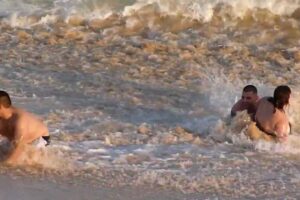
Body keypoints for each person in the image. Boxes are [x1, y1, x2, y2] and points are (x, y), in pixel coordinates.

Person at [0, 91, 50, 164]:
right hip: (15, 138)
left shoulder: (20, 121)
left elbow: (20, 147)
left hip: (38, 139)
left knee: (26, 163)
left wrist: (5, 165)